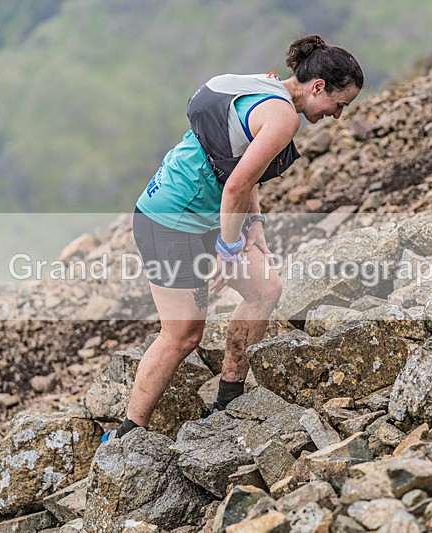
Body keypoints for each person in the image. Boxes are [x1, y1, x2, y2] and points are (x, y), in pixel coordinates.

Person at [102, 34, 363, 442]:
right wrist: (227, 249)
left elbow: (240, 163)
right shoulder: (284, 118)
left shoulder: (265, 85)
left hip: (207, 217)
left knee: (265, 289)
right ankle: (128, 433)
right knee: (183, 334)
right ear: (318, 87)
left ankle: (228, 401)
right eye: (339, 104)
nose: (337, 115)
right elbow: (236, 185)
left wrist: (253, 228)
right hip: (170, 220)